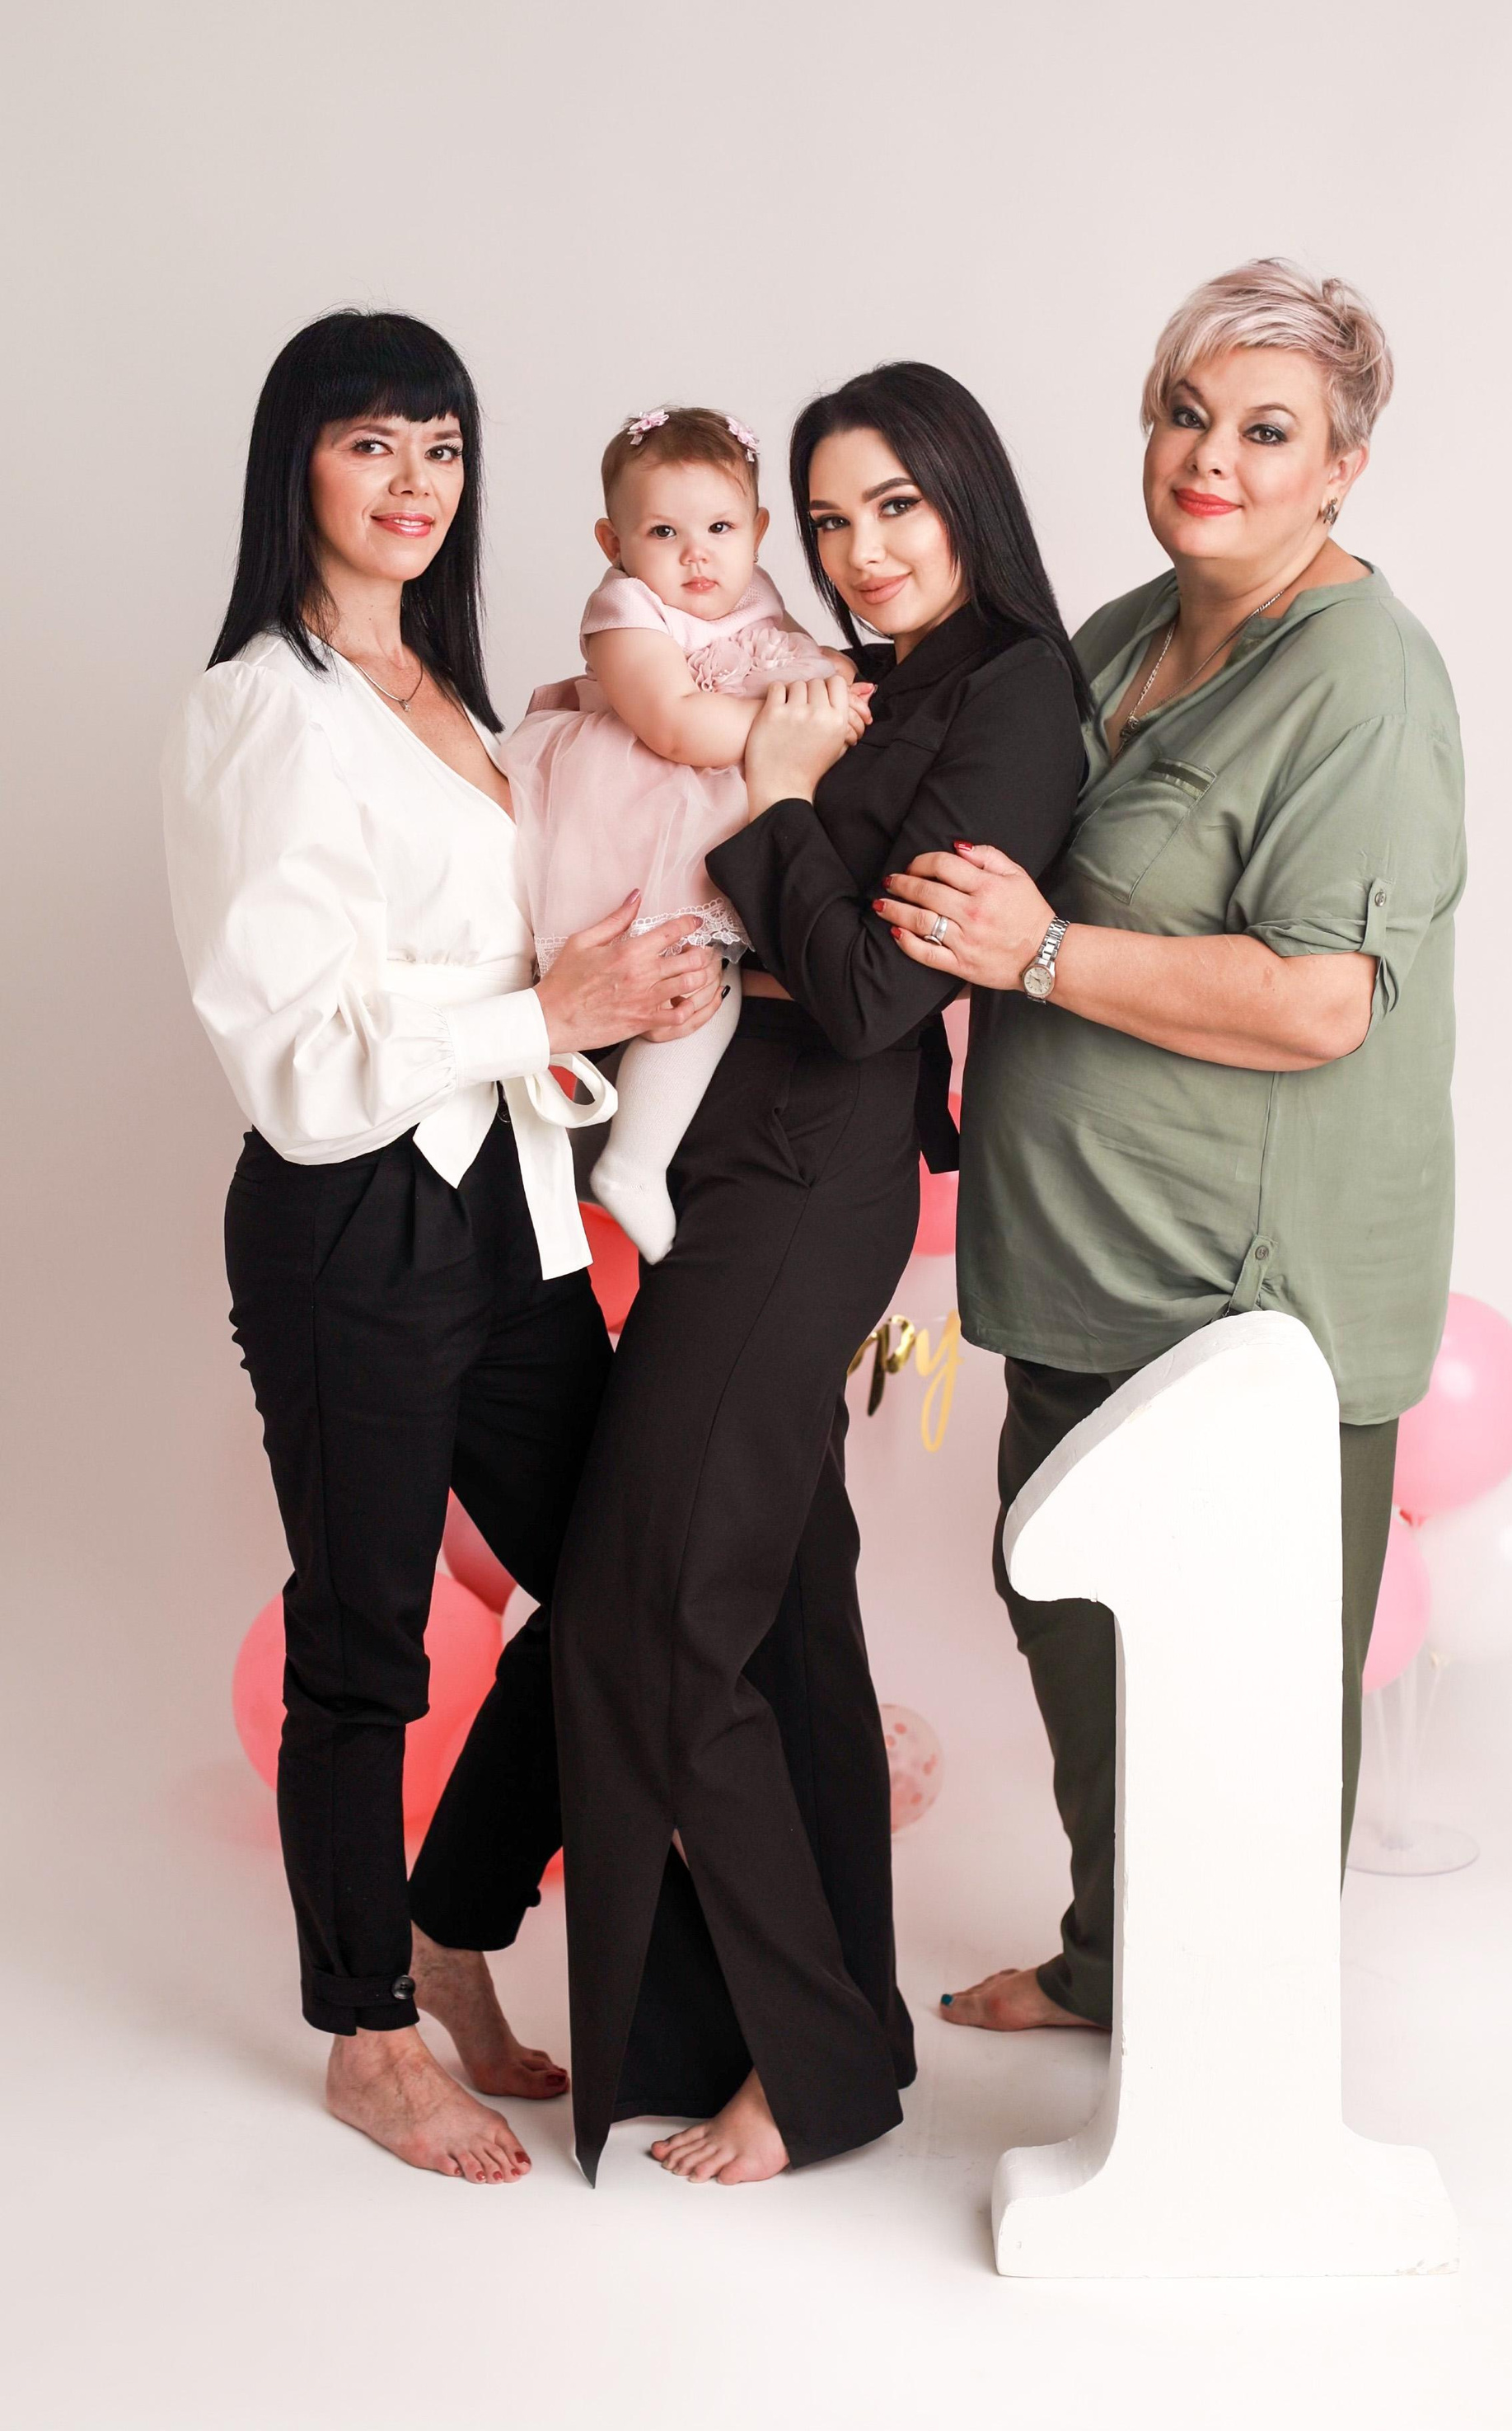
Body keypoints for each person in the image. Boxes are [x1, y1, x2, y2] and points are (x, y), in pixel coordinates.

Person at [162, 309, 723, 2180]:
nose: (414, 482)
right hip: (352, 1220)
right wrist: (544, 1006)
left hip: (512, 1207)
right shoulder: (265, 708)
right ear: (297, 465)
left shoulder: (456, 700)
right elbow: (290, 1048)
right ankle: (367, 2032)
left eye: (443, 445)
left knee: (615, 1587)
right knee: (366, 1644)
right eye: (372, 442)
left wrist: (605, 1011)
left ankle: (450, 1923)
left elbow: (503, 970)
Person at [877, 261, 1466, 2038]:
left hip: (1241, 1291)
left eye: (1268, 431)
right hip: (1079, 1262)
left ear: (1343, 466)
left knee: (1242, 1691)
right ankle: (1115, 1965)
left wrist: (1041, 955)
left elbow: (1322, 1000)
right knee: (1080, 1626)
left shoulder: (1364, 677)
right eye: (1184, 413)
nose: (1212, 457)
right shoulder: (1134, 629)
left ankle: (1239, 2050)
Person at [553, 360, 1089, 2185]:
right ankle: (784, 2033)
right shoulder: (861, 673)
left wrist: (771, 800)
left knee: (648, 1608)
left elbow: (868, 996)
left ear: (968, 497)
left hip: (811, 1164)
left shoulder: (1014, 691)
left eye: (900, 507)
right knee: (776, 1610)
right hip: (730, 1137)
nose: (866, 551)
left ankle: (814, 2061)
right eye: (836, 516)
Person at [507, 405, 862, 1262]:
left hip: (711, 815)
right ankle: (632, 1159)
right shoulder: (626, 606)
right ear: (613, 541)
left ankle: (634, 1151)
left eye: (720, 528)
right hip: (636, 814)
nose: (697, 554)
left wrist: (834, 678)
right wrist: (798, 728)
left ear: (759, 531)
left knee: (710, 979)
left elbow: (802, 660)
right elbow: (673, 724)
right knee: (687, 973)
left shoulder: (759, 598)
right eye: (664, 531)